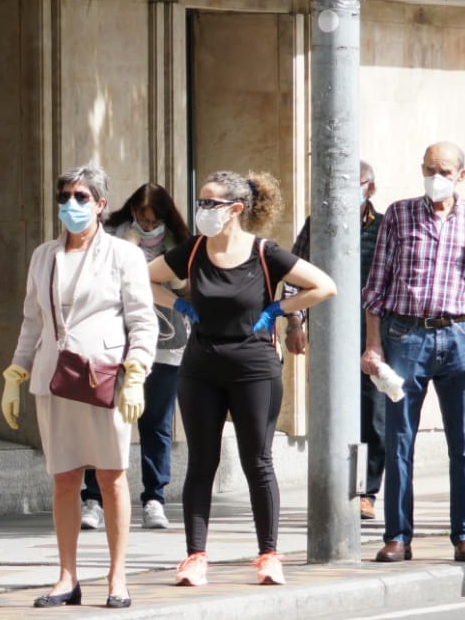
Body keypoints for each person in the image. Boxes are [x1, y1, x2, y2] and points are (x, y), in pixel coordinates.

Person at [151, 171, 334, 587]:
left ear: (235, 209)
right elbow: (147, 278)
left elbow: (324, 286)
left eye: (210, 204)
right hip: (200, 366)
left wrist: (278, 311)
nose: (202, 210)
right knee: (201, 462)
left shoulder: (266, 253)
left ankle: (269, 555)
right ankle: (195, 557)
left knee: (258, 461)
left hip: (253, 367)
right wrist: (179, 304)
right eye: (200, 202)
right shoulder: (193, 249)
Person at [3, 165, 158, 609]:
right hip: (55, 377)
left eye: (82, 197)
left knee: (111, 477)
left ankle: (117, 577)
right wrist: (16, 372)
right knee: (65, 479)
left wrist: (137, 374)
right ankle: (67, 577)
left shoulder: (123, 255)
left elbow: (142, 321)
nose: (71, 204)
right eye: (65, 196)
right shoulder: (43, 255)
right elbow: (33, 320)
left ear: (101, 204)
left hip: (104, 376)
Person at [362, 142, 465, 564]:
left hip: (459, 335)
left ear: (461, 175)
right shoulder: (399, 214)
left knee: (464, 441)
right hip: (406, 335)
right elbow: (376, 286)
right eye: (430, 169)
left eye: (444, 170)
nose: (436, 176)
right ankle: (397, 535)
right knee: (399, 439)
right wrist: (373, 344)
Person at [81, 183, 191, 531]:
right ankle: (93, 499)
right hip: (116, 344)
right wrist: (127, 247)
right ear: (132, 213)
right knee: (105, 423)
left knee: (156, 423)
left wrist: (173, 272)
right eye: (142, 219)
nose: (148, 226)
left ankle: (154, 498)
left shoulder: (181, 241)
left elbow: (190, 289)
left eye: (154, 220)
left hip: (166, 343)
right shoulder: (110, 235)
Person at [287, 160, 386, 521]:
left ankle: (366, 492)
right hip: (328, 332)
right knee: (331, 410)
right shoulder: (318, 225)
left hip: (373, 333)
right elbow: (293, 273)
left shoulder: (386, 226)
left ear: (369, 188)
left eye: (355, 185)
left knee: (373, 415)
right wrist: (295, 323)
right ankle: (330, 489)